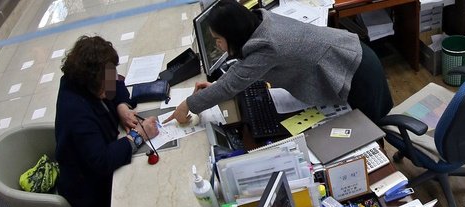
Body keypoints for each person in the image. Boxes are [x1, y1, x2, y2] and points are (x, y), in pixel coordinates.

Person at [166, 0, 393, 125]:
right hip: (351, 57)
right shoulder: (260, 21)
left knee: (370, 129)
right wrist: (214, 87)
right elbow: (241, 73)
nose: (217, 46)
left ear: (233, 35)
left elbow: (231, 85)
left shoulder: (267, 46)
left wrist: (187, 105)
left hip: (356, 73)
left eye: (218, 40)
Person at [55, 35, 159, 207]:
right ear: (89, 81)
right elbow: (102, 161)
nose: (108, 87)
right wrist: (139, 135)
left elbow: (117, 83)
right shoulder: (75, 111)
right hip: (92, 188)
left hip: (105, 151)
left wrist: (121, 106)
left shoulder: (88, 80)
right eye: (104, 86)